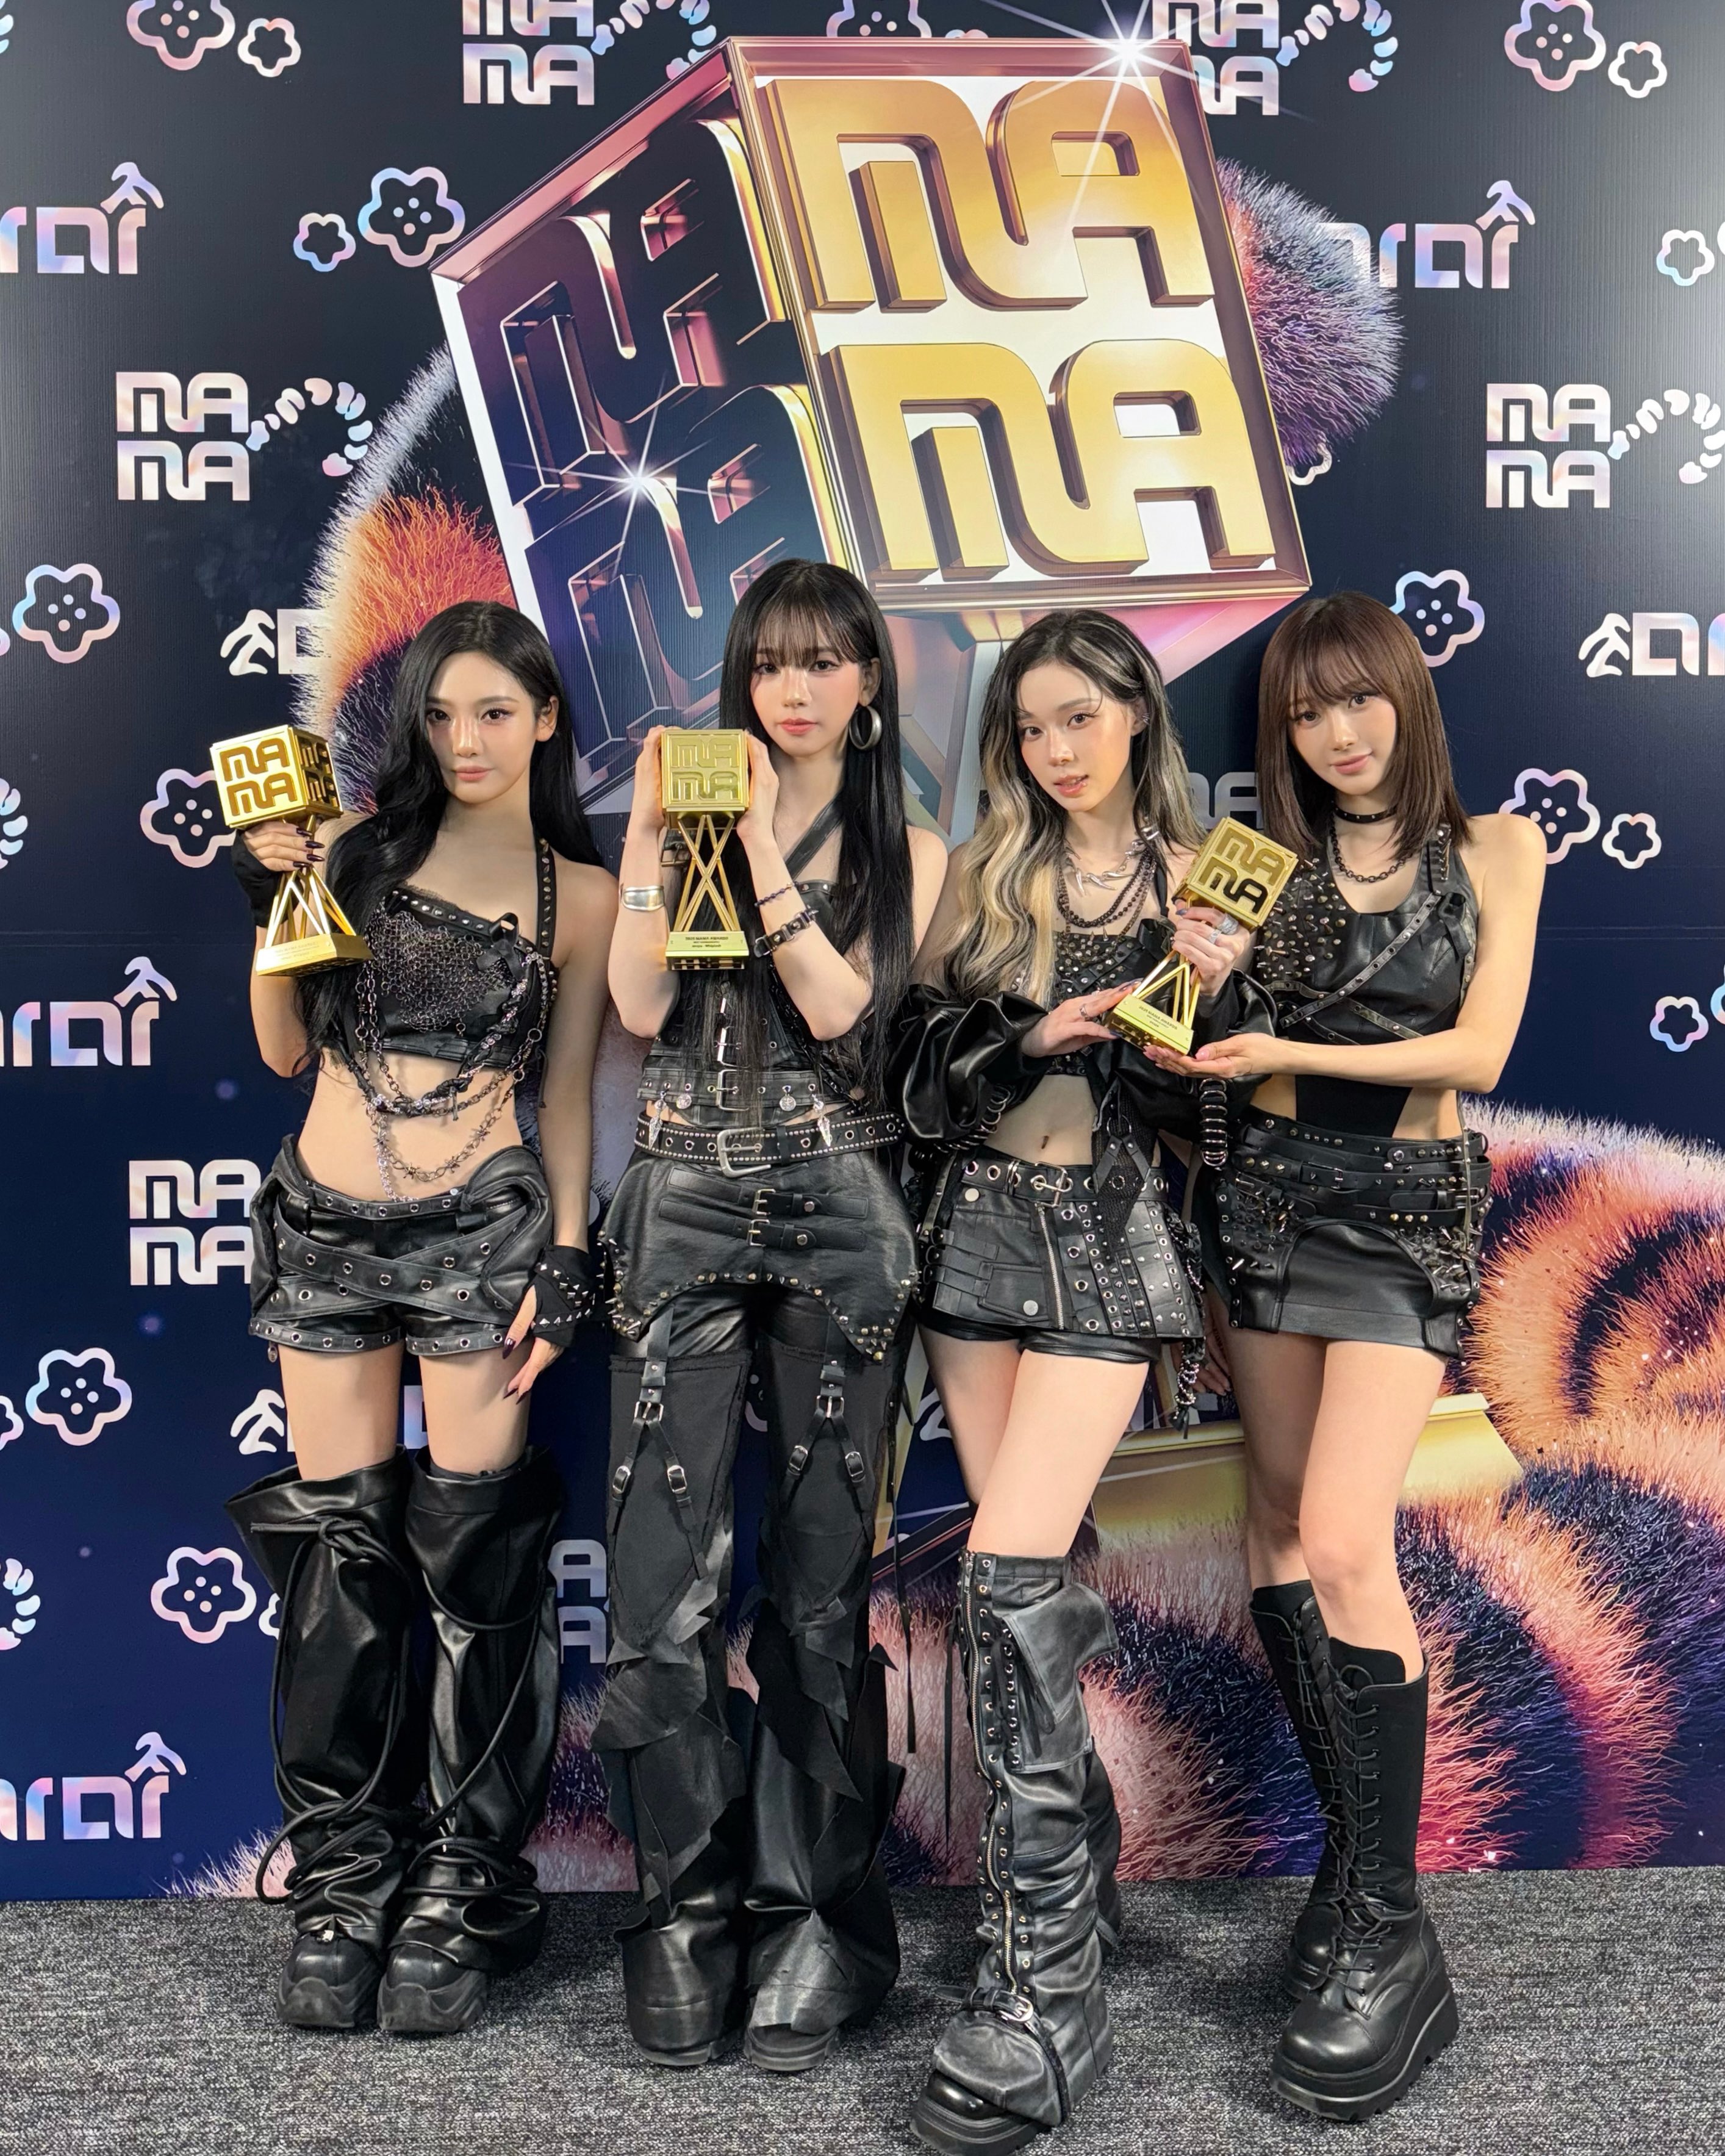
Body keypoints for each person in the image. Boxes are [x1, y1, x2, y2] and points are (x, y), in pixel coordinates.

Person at [1148, 590, 1546, 2121]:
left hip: (1401, 1212)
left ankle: (1391, 1920)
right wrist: (1195, 974)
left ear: (1406, 698)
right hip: (1261, 1200)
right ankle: (1353, 1873)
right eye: (1307, 713)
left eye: (1359, 699)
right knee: (1269, 1522)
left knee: (1339, 1535)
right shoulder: (1254, 865)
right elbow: (1183, 1050)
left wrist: (1285, 1048)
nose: (1338, 732)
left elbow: (1477, 1055)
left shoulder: (1495, 849)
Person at [890, 609, 1264, 2155]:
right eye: (1030, 726)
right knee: (1016, 1588)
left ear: (1135, 715)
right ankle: (1073, 1883)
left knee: (1004, 1573)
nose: (1054, 749)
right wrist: (1025, 1030)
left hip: (1108, 1243)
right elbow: (912, 1072)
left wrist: (1212, 1001)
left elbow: (1222, 1109)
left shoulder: (1203, 882)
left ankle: (1046, 1984)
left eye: (1079, 718)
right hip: (973, 1236)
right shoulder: (982, 870)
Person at [223, 600, 617, 2036]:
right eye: (442, 715)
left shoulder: (583, 894)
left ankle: (465, 1882)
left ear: (546, 720)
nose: (466, 741)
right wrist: (271, 903)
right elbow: (282, 1050)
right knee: (340, 1560)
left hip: (482, 1234)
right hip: (326, 1227)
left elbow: (565, 1094)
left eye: (495, 713)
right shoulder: (349, 852)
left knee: (478, 1562)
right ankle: (344, 1878)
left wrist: (567, 1260)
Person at [598, 559, 947, 2073]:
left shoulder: (914, 850)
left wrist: (748, 842)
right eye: (766, 664)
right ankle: (683, 1913)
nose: (792, 690)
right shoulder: (671, 825)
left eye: (821, 663)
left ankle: (815, 1917)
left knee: (819, 1586)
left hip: (837, 1202)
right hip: (678, 1194)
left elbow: (838, 1010)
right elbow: (633, 1005)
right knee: (658, 1583)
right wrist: (648, 838)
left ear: (867, 685)